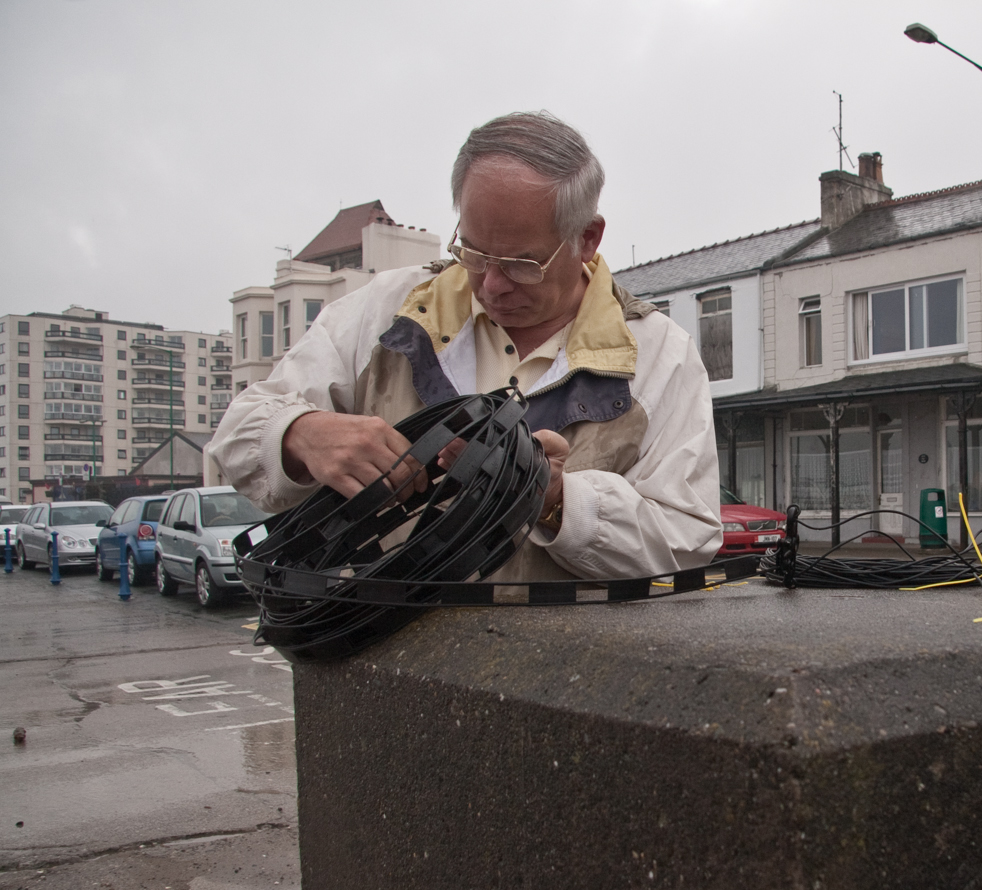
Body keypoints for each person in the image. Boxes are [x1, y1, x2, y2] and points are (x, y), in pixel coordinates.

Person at [208, 112, 721, 581]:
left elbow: (690, 540)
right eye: (472, 251)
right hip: (378, 665)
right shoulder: (387, 308)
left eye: (522, 264)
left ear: (588, 238)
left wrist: (559, 500)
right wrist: (301, 433)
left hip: (562, 678)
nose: (491, 284)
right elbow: (237, 434)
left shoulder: (659, 355)